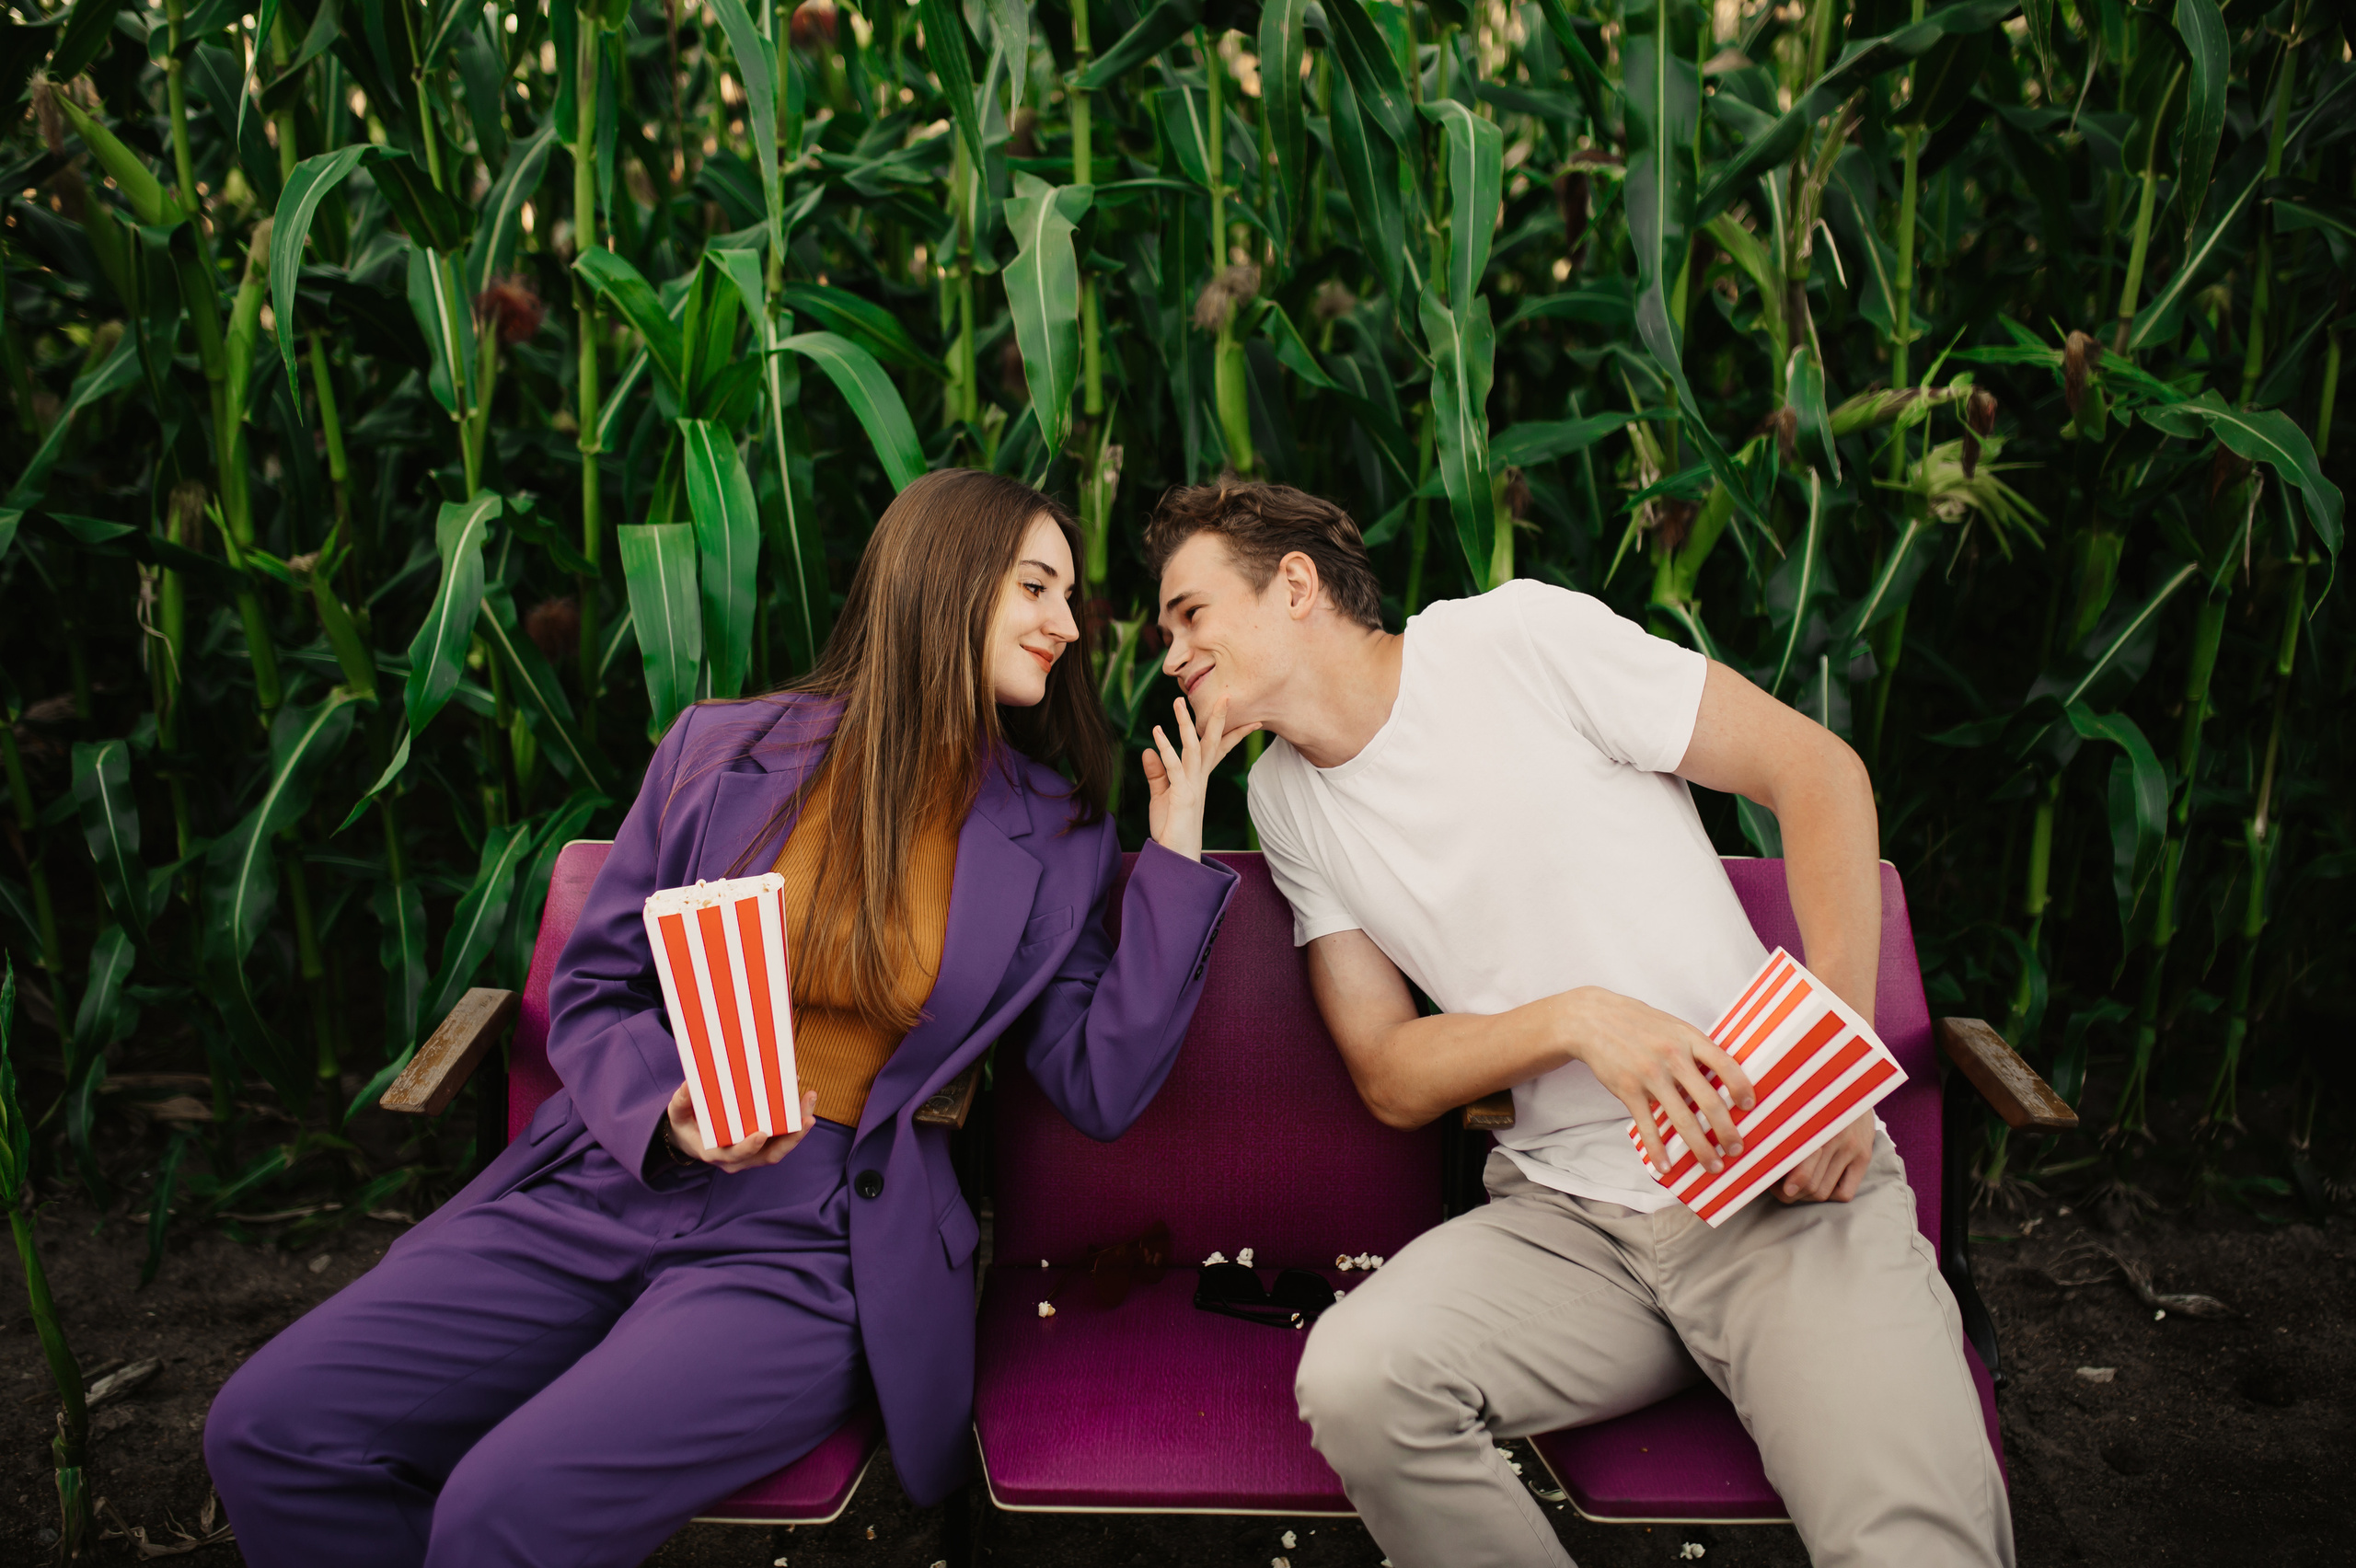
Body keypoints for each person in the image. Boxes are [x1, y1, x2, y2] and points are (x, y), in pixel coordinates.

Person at [205, 469, 1253, 1568]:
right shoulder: (720, 753)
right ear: (937, 581)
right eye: (1036, 587)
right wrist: (671, 1107)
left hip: (813, 1242)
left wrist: (1173, 848)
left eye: (1069, 596)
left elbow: (1099, 1081)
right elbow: (597, 990)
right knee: (273, 1431)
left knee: (499, 1513)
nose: (1067, 622)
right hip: (614, 1180)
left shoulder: (1054, 835)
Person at [1144, 479, 2013, 1568]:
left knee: (1914, 1552)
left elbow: (1816, 773)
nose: (1170, 652)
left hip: (1768, 1172)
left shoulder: (1515, 639)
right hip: (1567, 1226)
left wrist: (1825, 1071)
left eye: (1189, 613)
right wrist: (1574, 1019)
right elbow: (1389, 1071)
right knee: (1359, 1380)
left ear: (1297, 586)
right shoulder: (1283, 800)